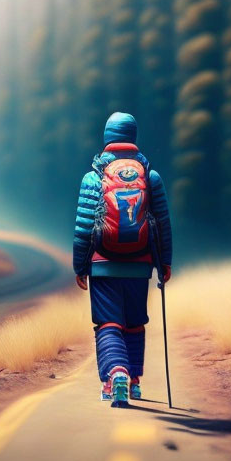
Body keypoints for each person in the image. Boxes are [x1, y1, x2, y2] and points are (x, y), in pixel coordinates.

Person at [73, 112, 172, 406]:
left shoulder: (93, 177)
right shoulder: (150, 176)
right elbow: (163, 223)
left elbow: (84, 227)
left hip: (103, 265)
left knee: (108, 324)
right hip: (140, 266)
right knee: (134, 322)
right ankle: (135, 381)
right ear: (133, 138)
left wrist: (80, 266)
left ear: (107, 138)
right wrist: (164, 262)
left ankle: (115, 375)